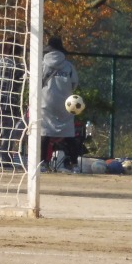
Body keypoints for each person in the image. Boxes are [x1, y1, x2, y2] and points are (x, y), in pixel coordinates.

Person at [40, 36, 79, 171]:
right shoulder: (69, 66)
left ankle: (42, 163)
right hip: (65, 105)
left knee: (44, 132)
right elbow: (74, 83)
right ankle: (74, 164)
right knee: (68, 134)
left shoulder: (42, 64)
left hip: (45, 102)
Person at [0, 42, 26, 170]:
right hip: (9, 103)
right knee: (7, 131)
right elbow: (20, 82)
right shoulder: (17, 66)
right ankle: (5, 158)